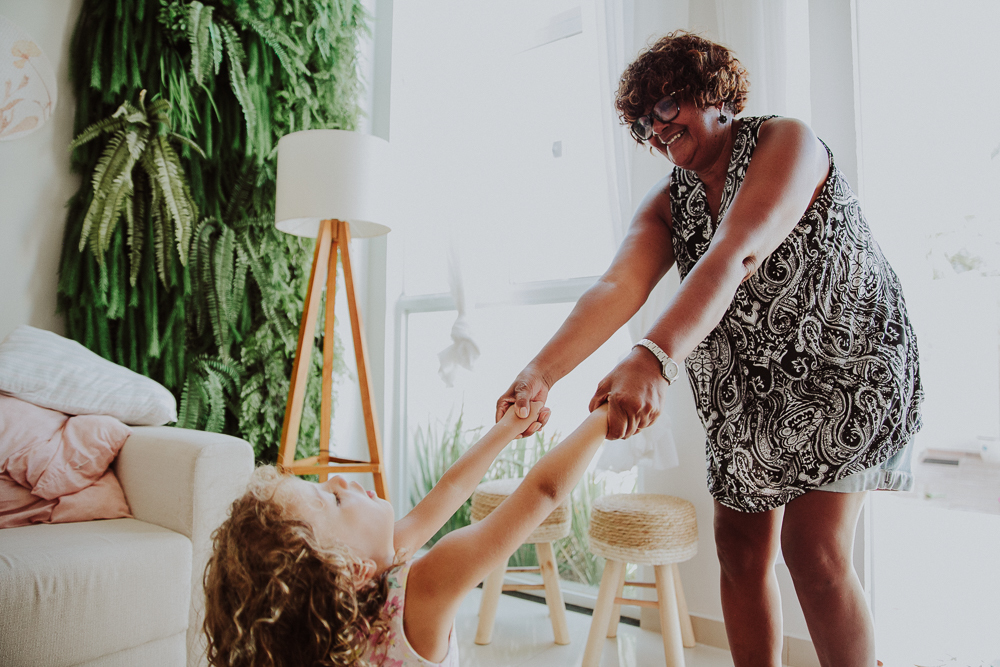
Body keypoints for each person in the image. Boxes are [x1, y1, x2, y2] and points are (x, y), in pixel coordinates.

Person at [496, 30, 922, 667]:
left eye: (667, 106)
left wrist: (654, 358)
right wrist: (540, 373)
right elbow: (617, 286)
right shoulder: (670, 203)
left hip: (846, 369)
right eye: (642, 122)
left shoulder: (788, 143)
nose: (656, 129)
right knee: (741, 549)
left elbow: (738, 250)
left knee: (815, 553)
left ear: (713, 92)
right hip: (750, 393)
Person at [203, 402, 609, 667]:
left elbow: (449, 490)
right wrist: (606, 415)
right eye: (335, 501)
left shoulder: (339, 619)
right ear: (353, 570)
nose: (340, 480)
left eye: (323, 485)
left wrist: (509, 426)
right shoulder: (423, 591)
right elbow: (542, 493)